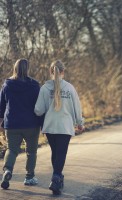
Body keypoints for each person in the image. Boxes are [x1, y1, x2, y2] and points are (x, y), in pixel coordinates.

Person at [34, 60, 84, 195]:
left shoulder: (44, 88)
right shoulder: (69, 88)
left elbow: (38, 110)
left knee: (55, 153)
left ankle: (58, 177)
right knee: (61, 153)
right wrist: (80, 122)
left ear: (51, 71)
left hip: (50, 127)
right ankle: (56, 178)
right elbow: (77, 108)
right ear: (63, 72)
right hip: (65, 127)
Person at [0, 58, 41, 189]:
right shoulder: (35, 85)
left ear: (15, 68)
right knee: (31, 152)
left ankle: (7, 170)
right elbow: (40, 106)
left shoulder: (7, 85)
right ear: (27, 69)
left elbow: (1, 106)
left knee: (11, 149)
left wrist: (1, 121)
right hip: (31, 124)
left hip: (12, 124)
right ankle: (29, 177)